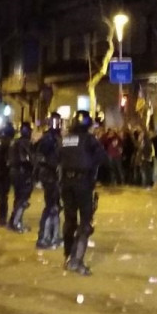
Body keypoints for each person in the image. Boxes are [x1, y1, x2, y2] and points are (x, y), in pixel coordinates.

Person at [59, 110, 109, 275]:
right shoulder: (89, 139)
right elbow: (103, 158)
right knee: (85, 222)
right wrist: (89, 165)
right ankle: (77, 260)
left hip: (66, 183)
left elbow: (58, 158)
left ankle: (68, 256)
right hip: (83, 183)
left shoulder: (66, 139)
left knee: (69, 220)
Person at [35, 112, 64, 250]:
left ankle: (54, 235)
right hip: (49, 176)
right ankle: (44, 237)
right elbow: (41, 156)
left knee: (55, 206)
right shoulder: (48, 138)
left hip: (55, 176)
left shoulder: (56, 137)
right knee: (50, 206)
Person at [7, 122, 35, 232]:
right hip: (22, 172)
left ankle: (13, 221)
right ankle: (16, 223)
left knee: (18, 197)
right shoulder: (25, 143)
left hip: (13, 172)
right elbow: (28, 159)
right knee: (23, 198)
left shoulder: (14, 141)